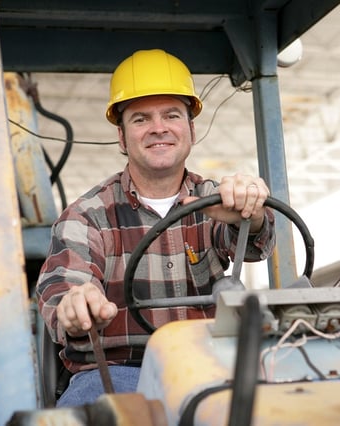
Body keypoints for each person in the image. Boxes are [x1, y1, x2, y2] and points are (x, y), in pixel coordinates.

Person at [36, 49, 276, 407]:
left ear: (191, 129)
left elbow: (254, 242)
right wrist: (74, 302)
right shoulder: (88, 214)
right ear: (121, 137)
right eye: (140, 119)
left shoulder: (214, 200)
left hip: (210, 363)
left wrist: (252, 212)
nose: (158, 128)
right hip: (118, 372)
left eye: (171, 115)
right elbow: (63, 284)